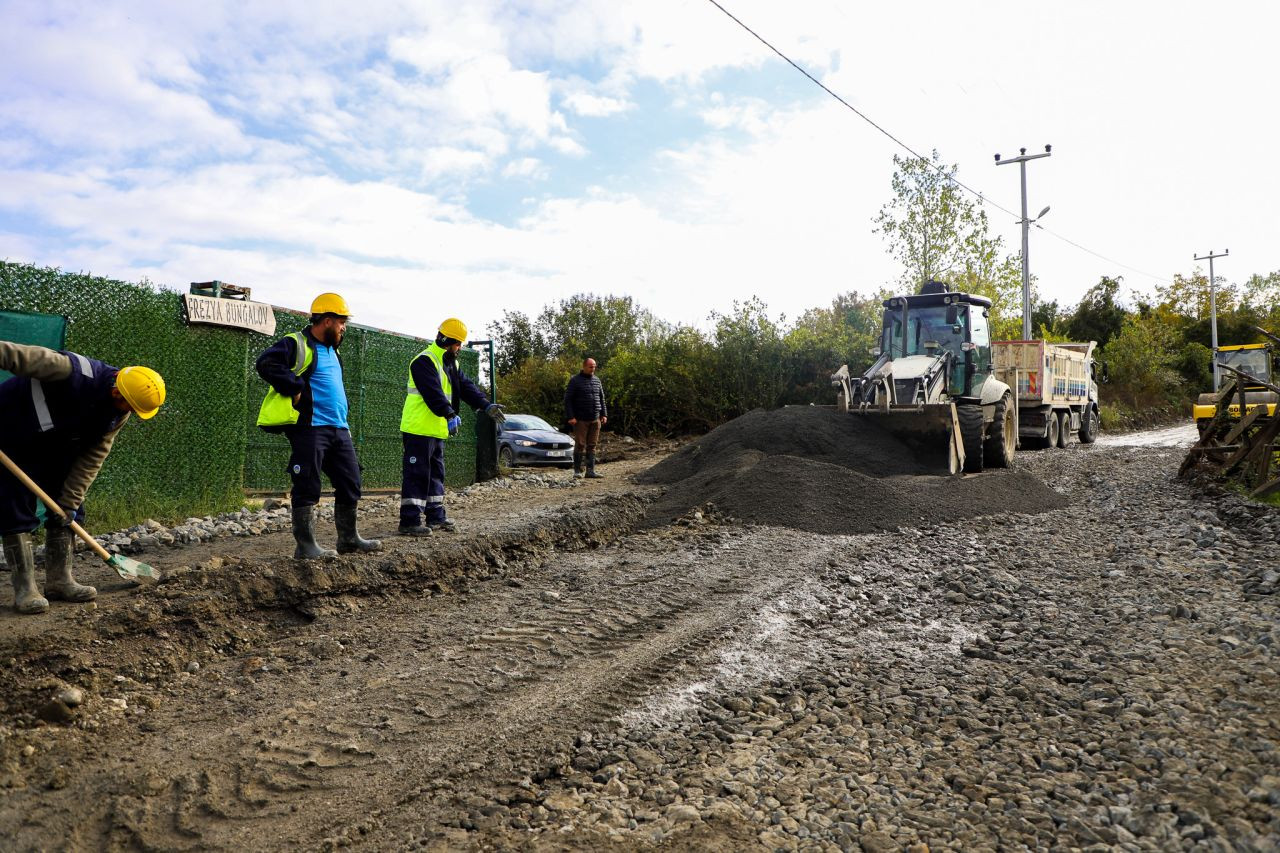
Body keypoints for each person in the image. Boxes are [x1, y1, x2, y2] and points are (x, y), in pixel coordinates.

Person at [0, 341, 165, 614]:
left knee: (69, 509)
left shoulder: (118, 412)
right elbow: (14, 355)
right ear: (116, 391)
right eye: (131, 407)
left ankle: (59, 581)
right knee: (17, 507)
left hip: (55, 444)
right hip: (11, 433)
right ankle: (25, 589)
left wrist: (70, 502)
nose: (131, 413)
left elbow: (94, 455)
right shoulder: (71, 371)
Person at [256, 292, 381, 559]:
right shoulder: (296, 343)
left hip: (338, 427)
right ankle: (305, 546)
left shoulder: (334, 351)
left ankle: (348, 539)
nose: (343, 327)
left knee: (351, 482)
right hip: (309, 427)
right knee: (307, 484)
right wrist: (296, 386)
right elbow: (266, 363)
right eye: (341, 321)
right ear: (326, 320)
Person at [398, 318, 504, 535]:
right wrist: (449, 413)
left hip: (436, 429)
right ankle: (409, 521)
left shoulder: (451, 363)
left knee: (436, 474)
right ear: (447, 341)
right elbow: (433, 393)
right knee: (417, 474)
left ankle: (435, 516)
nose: (459, 348)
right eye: (458, 344)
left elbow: (466, 387)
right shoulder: (423, 361)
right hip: (418, 429)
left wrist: (485, 405)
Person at [564, 357, 607, 479]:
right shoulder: (575, 381)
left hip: (595, 418)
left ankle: (590, 471)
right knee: (580, 444)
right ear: (584, 367)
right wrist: (571, 416)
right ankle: (577, 471)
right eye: (590, 367)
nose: (593, 369)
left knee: (592, 445)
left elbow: (601, 398)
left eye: (594, 367)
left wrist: (604, 414)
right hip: (580, 419)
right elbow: (568, 400)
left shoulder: (597, 381)